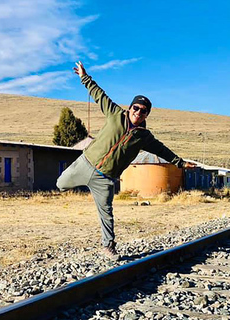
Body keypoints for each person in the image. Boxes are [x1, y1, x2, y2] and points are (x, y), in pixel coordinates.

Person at [57, 61, 196, 260]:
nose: (138, 112)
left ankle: (108, 246)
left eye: (143, 110)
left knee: (106, 214)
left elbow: (162, 150)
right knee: (60, 184)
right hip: (85, 163)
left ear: (147, 114)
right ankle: (82, 185)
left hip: (104, 178)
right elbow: (99, 95)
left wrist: (180, 163)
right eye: (136, 107)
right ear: (130, 107)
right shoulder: (114, 114)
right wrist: (84, 77)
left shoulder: (144, 137)